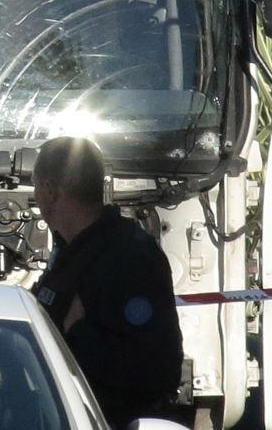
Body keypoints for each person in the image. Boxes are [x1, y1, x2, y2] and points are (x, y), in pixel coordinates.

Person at [30, 136, 184, 429]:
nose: (35, 195)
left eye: (36, 184)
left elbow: (158, 369)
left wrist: (78, 331)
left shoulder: (129, 256)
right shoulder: (73, 253)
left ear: (50, 191)